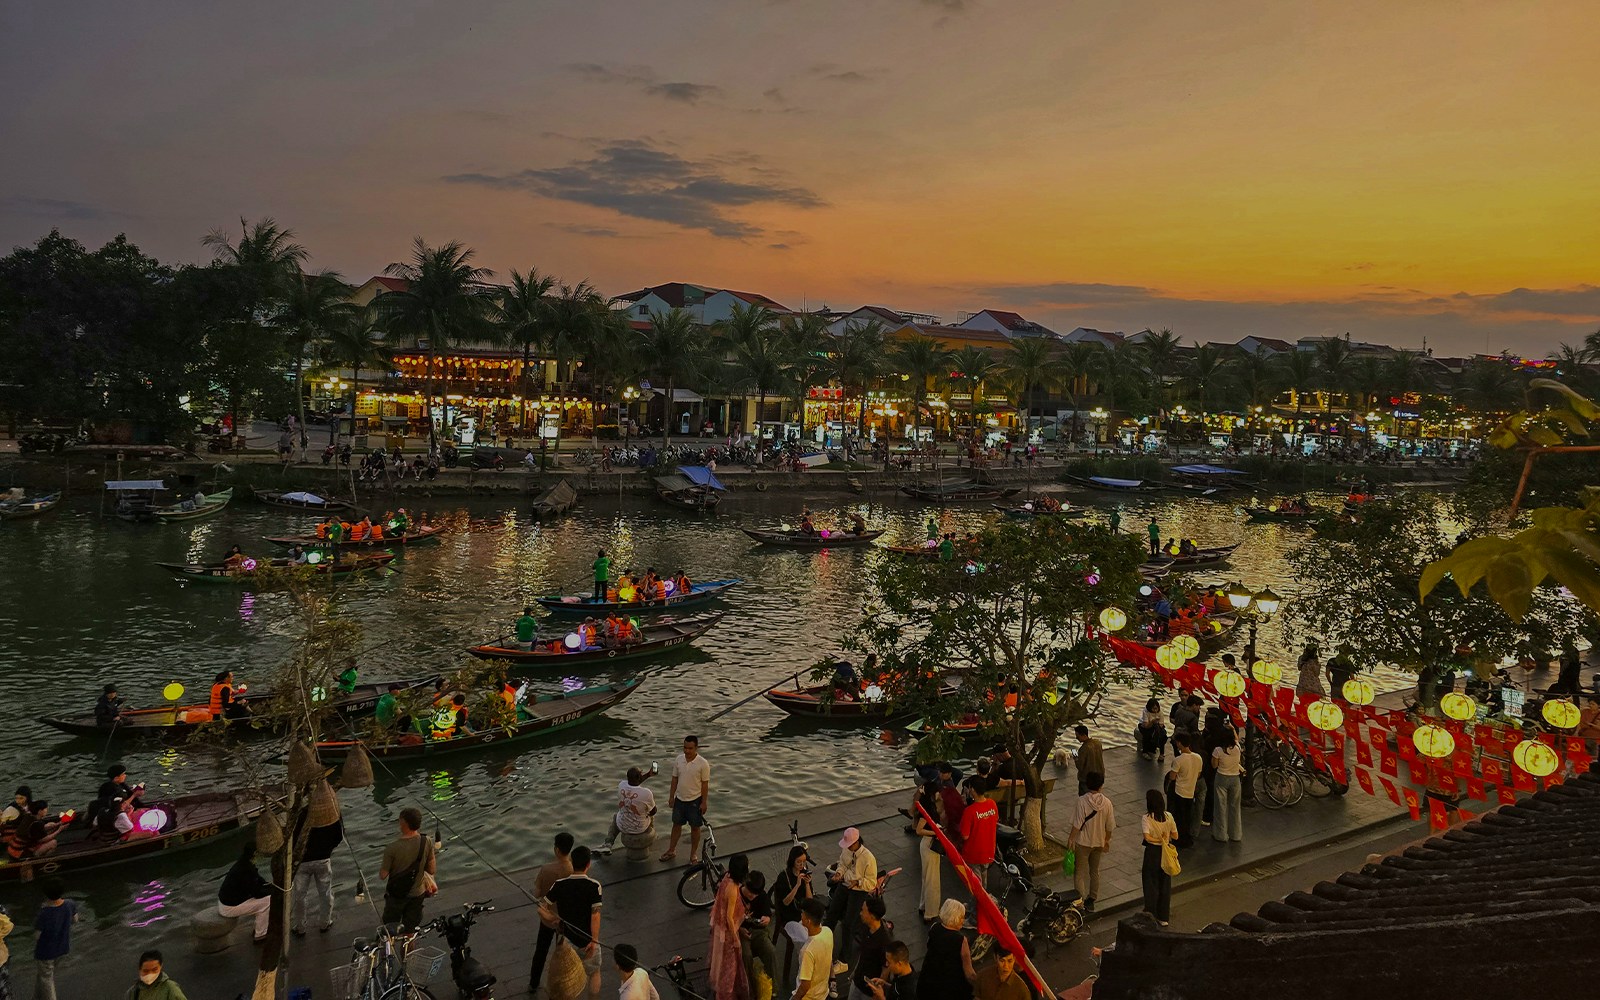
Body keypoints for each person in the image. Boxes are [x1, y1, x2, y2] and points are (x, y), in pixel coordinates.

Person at [545, 845, 603, 1000]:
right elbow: (595, 915)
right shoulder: (594, 886)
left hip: (566, 940)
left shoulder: (559, 884)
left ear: (572, 862)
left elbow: (542, 907)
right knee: (594, 972)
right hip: (587, 940)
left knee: (567, 978)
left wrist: (552, 918)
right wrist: (594, 940)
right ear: (588, 864)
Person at [529, 832, 575, 995]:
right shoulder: (573, 869)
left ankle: (533, 983)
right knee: (563, 954)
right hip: (566, 921)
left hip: (548, 920)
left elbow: (537, 893)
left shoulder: (546, 869)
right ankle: (565, 985)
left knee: (541, 952)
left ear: (556, 849)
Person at [826, 827, 878, 964]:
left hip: (858, 891)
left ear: (856, 842)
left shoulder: (868, 858)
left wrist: (858, 882)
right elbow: (842, 863)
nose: (847, 848)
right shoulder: (846, 851)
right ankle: (823, 944)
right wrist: (839, 873)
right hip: (844, 885)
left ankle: (844, 959)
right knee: (831, 914)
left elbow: (872, 883)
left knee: (848, 923)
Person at [379, 807, 435, 931]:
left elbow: (383, 875)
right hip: (417, 895)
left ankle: (390, 949)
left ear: (403, 823)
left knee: (389, 930)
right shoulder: (427, 841)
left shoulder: (392, 848)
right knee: (410, 932)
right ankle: (408, 950)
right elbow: (431, 870)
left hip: (396, 896)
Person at [1067, 770, 1115, 912]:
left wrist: (1071, 839)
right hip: (1099, 842)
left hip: (1083, 842)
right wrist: (1106, 840)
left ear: (1087, 784)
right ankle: (1092, 898)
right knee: (1094, 871)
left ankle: (1079, 902)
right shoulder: (1107, 803)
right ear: (1101, 785)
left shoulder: (1082, 801)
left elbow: (1077, 824)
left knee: (1079, 873)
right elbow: (1110, 826)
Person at [292, 812, 344, 935]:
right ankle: (324, 923)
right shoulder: (330, 813)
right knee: (325, 893)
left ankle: (300, 927)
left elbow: (294, 837)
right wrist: (327, 850)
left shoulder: (302, 814)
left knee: (300, 896)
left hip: (302, 861)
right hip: (322, 859)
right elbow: (338, 836)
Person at [661, 735, 711, 863]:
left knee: (695, 828)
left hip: (695, 800)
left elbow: (705, 784)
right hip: (679, 799)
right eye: (685, 748)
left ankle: (693, 854)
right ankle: (671, 850)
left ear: (696, 748)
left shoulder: (703, 763)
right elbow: (674, 779)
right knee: (676, 825)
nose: (687, 751)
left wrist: (704, 802)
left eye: (690, 748)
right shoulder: (679, 759)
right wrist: (671, 796)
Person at [771, 844, 814, 988]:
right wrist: (797, 885)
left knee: (817, 936)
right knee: (804, 940)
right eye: (798, 862)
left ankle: (811, 967)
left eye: (803, 861)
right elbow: (785, 902)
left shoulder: (805, 873)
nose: (802, 865)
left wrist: (807, 884)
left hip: (803, 914)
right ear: (792, 861)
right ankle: (805, 973)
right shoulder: (784, 876)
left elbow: (809, 902)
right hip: (790, 917)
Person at [709, 854, 750, 1000]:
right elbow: (729, 917)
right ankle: (725, 995)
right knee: (729, 968)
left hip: (720, 930)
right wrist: (735, 938)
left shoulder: (726, 877)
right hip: (727, 935)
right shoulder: (732, 888)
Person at [916, 900, 976, 1000]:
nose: (963, 920)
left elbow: (929, 946)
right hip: (948, 987)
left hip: (928, 981)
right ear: (956, 918)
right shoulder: (961, 940)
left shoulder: (934, 927)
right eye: (962, 917)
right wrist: (980, 984)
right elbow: (969, 972)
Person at [217, 844, 273, 941]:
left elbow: (258, 880)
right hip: (229, 908)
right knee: (267, 903)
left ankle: (260, 928)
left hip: (227, 902)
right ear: (255, 854)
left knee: (265, 899)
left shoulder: (244, 863)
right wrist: (272, 892)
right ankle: (260, 934)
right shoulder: (246, 870)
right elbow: (256, 893)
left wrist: (269, 886)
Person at [599, 764, 659, 854]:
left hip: (622, 825)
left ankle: (608, 843)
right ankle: (651, 837)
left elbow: (634, 783)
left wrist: (648, 774)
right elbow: (654, 811)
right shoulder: (646, 793)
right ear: (639, 777)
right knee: (650, 815)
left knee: (616, 816)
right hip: (639, 828)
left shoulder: (621, 785)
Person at [33, 879, 77, 1000]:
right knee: (43, 975)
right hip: (63, 947)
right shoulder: (70, 904)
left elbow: (37, 935)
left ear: (45, 895)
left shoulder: (44, 913)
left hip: (45, 952)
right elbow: (75, 920)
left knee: (46, 979)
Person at [1141, 789, 1178, 926]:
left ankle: (1150, 914)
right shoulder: (1169, 817)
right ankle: (1163, 917)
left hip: (1152, 853)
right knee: (1164, 884)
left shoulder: (1147, 818)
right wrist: (1165, 839)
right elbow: (1176, 836)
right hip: (1166, 853)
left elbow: (1147, 837)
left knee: (1150, 883)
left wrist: (1157, 840)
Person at [956, 781, 997, 895]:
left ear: (973, 790)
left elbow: (965, 835)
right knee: (984, 883)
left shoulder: (970, 811)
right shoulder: (992, 804)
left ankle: (976, 909)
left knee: (975, 887)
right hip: (988, 851)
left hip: (973, 854)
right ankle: (983, 906)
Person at [911, 780, 942, 922]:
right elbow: (919, 830)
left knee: (927, 877)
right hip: (930, 845)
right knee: (932, 879)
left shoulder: (926, 806)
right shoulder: (928, 809)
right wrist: (936, 832)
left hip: (926, 845)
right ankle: (930, 912)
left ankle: (924, 906)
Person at [791, 897, 833, 1000]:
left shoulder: (807, 951)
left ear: (808, 921)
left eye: (802, 914)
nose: (801, 916)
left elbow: (805, 985)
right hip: (823, 994)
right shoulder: (828, 931)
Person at [850, 897, 891, 1000]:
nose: (860, 913)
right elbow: (863, 953)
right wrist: (855, 971)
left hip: (868, 992)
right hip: (857, 982)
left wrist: (876, 993)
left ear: (872, 916)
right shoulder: (865, 927)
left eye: (863, 911)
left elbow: (886, 969)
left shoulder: (883, 941)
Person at [1166, 734, 1202, 848]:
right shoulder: (1198, 758)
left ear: (1180, 743)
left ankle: (1177, 838)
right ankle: (1186, 838)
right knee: (1187, 816)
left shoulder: (1178, 760)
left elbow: (1172, 777)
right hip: (1190, 791)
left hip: (1179, 791)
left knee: (1177, 816)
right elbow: (1198, 774)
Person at [741, 869, 776, 987]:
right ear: (745, 884)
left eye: (756, 894)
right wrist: (739, 930)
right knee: (746, 956)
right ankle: (749, 988)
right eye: (750, 892)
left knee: (770, 951)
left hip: (758, 932)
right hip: (740, 933)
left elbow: (767, 915)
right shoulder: (736, 895)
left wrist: (766, 919)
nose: (752, 896)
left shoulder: (762, 896)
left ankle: (772, 987)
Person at [1211, 727, 1244, 842]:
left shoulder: (1218, 750)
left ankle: (1221, 835)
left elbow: (1214, 766)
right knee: (1235, 807)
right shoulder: (1237, 748)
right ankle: (1236, 835)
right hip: (1235, 778)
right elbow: (1236, 739)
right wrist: (1232, 728)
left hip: (1222, 778)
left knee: (1220, 807)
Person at [1072, 725, 1105, 796]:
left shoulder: (1083, 749)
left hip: (1087, 779)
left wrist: (1075, 757)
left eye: (1077, 736)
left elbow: (1080, 766)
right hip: (1099, 776)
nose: (1076, 738)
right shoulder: (1098, 743)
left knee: (1085, 799)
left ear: (1083, 735)